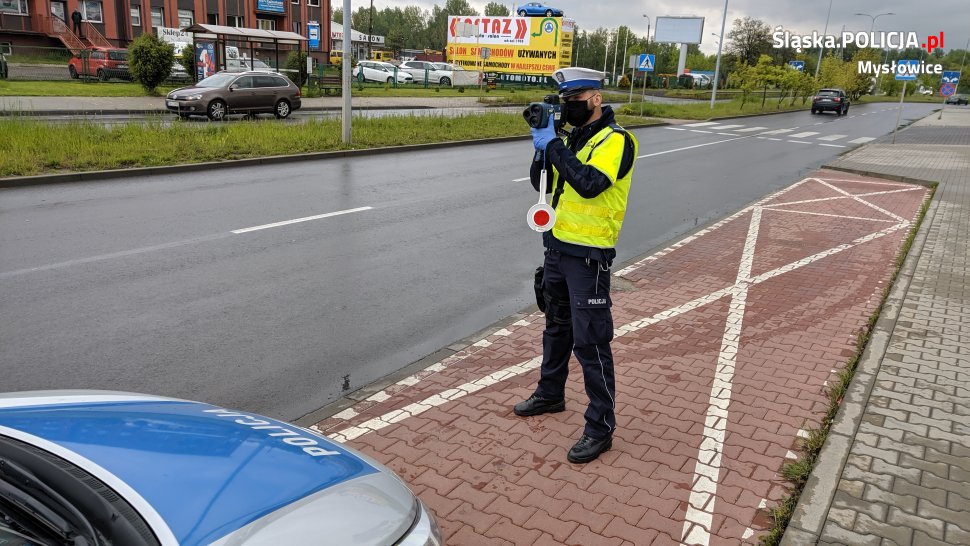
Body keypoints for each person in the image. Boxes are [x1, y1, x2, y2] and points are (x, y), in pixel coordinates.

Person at [514, 67, 638, 464]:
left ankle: (600, 427)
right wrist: (541, 147)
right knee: (556, 328)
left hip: (589, 256)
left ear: (596, 98)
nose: (568, 107)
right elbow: (541, 183)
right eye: (563, 100)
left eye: (574, 99)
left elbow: (588, 183)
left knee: (591, 342)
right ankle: (550, 394)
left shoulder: (617, 140)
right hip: (557, 249)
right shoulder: (571, 139)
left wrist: (554, 146)